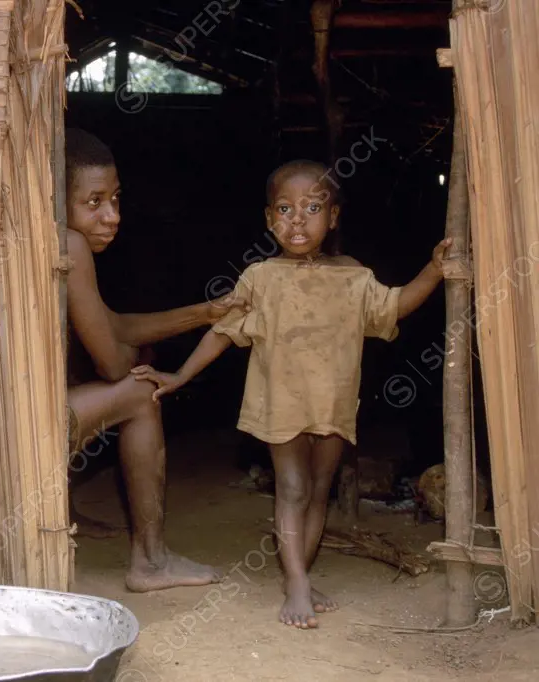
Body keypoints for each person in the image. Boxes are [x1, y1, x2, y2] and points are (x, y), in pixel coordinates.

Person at [131, 159, 451, 626]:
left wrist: (434, 269)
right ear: (268, 218)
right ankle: (297, 581)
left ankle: (299, 572)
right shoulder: (261, 277)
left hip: (333, 403)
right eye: (285, 208)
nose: (297, 220)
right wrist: (180, 375)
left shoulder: (355, 277)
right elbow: (223, 331)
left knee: (319, 488)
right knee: (294, 487)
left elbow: (395, 306)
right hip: (280, 402)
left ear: (334, 216)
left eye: (312, 207)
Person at [63, 128, 248, 592]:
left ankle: (59, 513)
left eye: (116, 199)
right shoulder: (70, 245)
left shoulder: (42, 241)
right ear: (55, 198)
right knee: (143, 392)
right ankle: (151, 560)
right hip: (19, 431)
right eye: (94, 202)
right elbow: (111, 362)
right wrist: (134, 358)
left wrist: (205, 313)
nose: (112, 217)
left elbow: (115, 325)